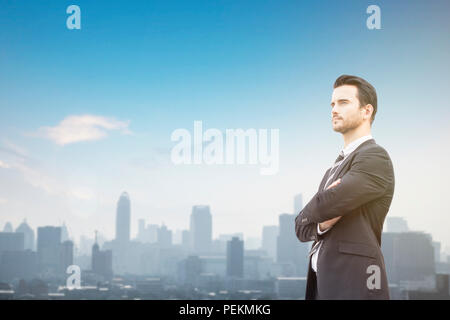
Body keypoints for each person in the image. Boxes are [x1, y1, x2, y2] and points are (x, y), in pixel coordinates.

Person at [295, 74, 395, 299]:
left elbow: (323, 205)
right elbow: (301, 229)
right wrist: (320, 222)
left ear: (366, 111)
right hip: (326, 288)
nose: (333, 109)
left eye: (343, 102)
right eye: (332, 104)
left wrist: (321, 207)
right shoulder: (333, 170)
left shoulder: (375, 157)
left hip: (355, 284)